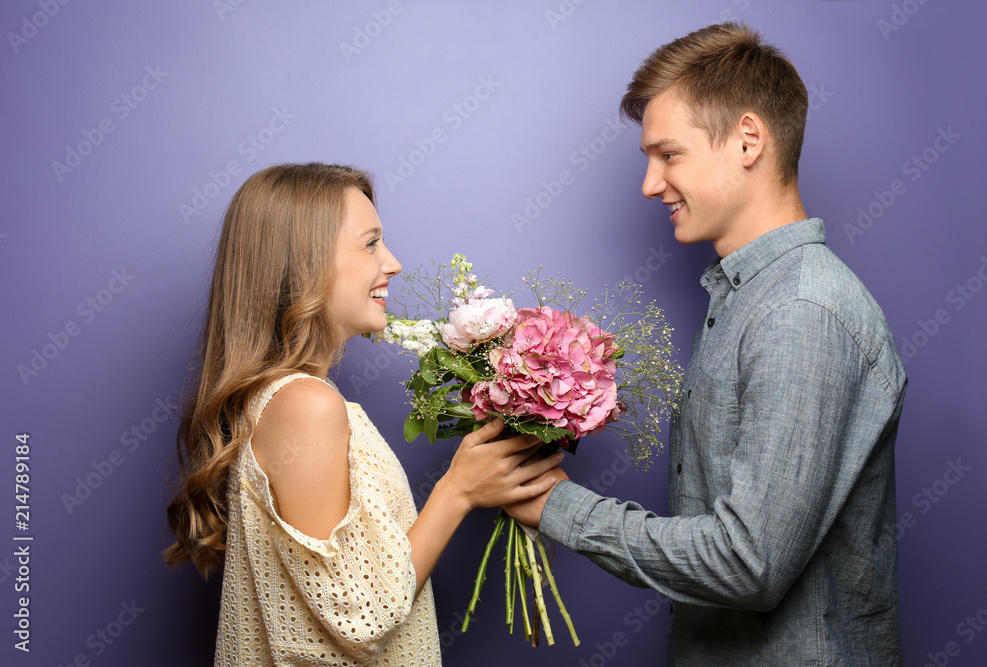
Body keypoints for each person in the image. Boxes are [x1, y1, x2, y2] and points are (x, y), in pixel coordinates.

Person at [506, 22, 907, 665]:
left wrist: (560, 507)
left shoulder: (801, 311)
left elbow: (749, 564)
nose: (649, 183)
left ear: (749, 139)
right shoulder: (748, 300)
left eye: (669, 155)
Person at [164, 162, 563, 666]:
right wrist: (458, 491)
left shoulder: (287, 400)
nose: (392, 263)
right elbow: (361, 617)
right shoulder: (306, 405)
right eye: (370, 243)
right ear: (306, 263)